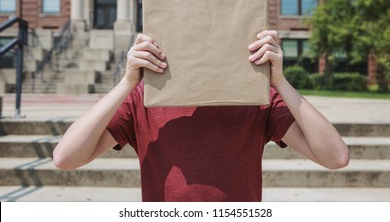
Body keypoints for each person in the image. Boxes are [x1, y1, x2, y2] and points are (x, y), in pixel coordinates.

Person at [53, 30, 350, 202]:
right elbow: (66, 158)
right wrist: (127, 83)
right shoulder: (143, 100)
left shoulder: (256, 100)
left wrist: (278, 82)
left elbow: (335, 157)